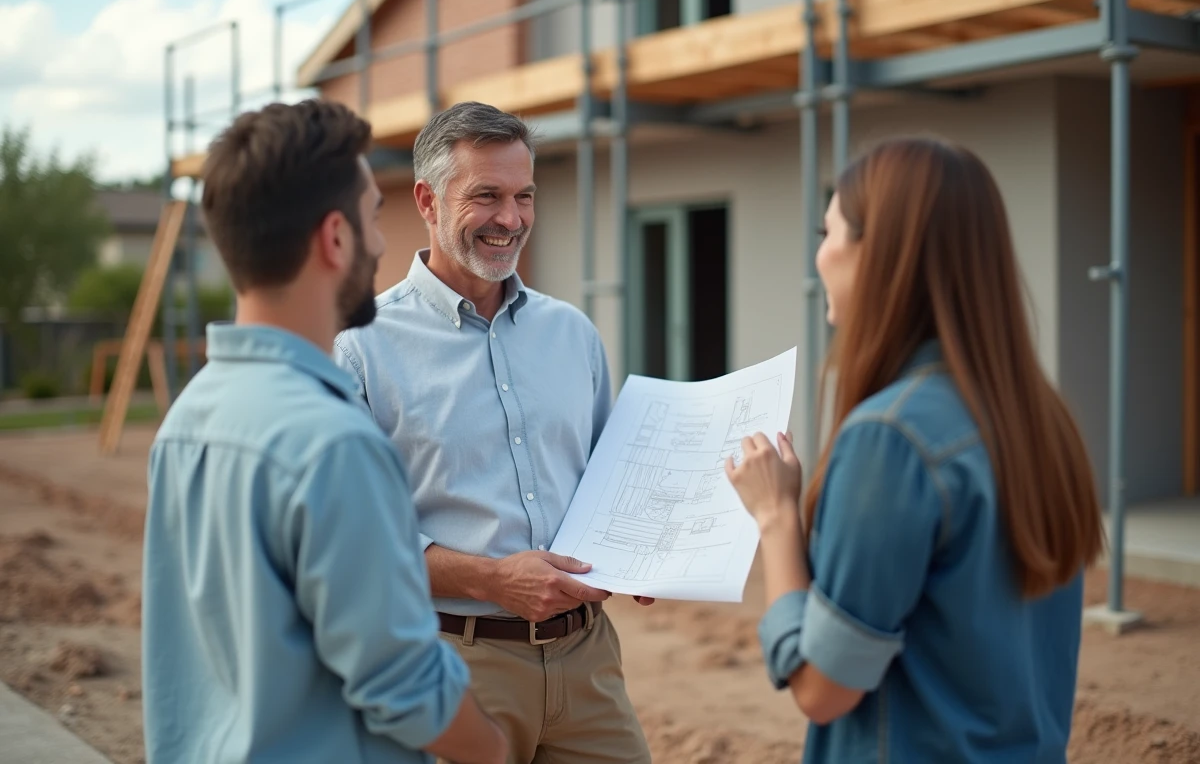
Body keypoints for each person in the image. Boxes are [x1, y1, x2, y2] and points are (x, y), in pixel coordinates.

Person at [142, 99, 507, 764]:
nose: (383, 241)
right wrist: (491, 750)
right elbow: (402, 683)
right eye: (373, 216)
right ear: (335, 238)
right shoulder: (333, 443)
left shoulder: (188, 421)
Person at [726, 136, 1105, 762]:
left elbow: (824, 688)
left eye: (828, 232)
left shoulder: (889, 439)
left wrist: (775, 519)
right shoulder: (1042, 415)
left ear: (878, 255)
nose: (818, 257)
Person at [333, 100, 652, 764]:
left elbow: (606, 484)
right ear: (427, 199)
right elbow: (349, 546)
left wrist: (650, 548)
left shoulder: (573, 335)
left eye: (524, 196)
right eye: (487, 196)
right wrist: (488, 579)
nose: (511, 219)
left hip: (588, 659)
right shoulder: (360, 348)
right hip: (450, 665)